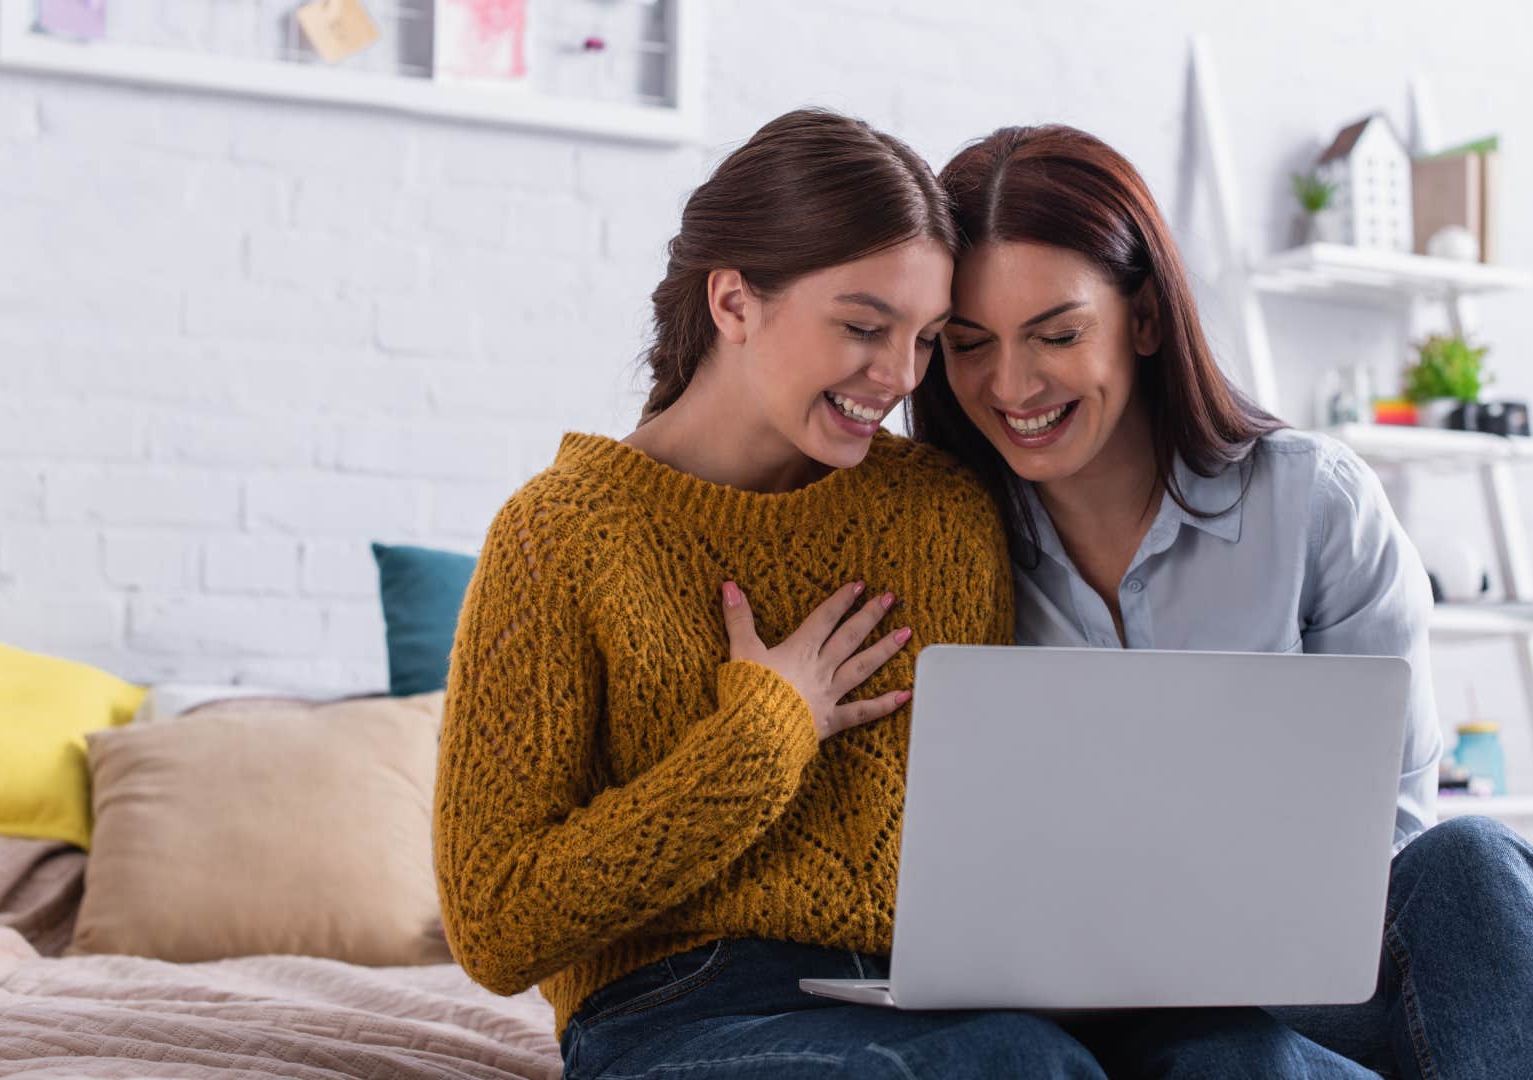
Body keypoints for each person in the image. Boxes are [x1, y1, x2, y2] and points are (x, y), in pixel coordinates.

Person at [911, 123, 1533, 1078]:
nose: (1011, 384)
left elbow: (1395, 836)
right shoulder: (939, 543)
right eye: (969, 345)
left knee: (1476, 867)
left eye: (1059, 334)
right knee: (1222, 1058)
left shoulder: (1312, 501)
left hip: (1318, 986)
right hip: (1102, 1016)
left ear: (1148, 320)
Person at [434, 109, 1109, 1079]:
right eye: (863, 327)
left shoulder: (939, 515)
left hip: (919, 1003)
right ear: (734, 301)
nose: (896, 377)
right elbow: (496, 924)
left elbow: (983, 842)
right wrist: (767, 732)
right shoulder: (563, 535)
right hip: (672, 1012)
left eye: (924, 339)